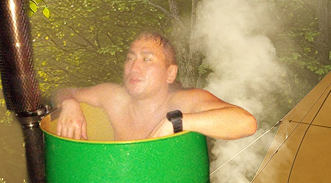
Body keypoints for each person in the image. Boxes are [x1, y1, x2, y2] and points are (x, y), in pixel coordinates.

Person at [52, 31, 257, 142]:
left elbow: (246, 123)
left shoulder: (183, 102)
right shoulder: (113, 97)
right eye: (130, 58)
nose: (134, 67)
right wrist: (69, 103)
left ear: (170, 73)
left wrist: (175, 123)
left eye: (147, 59)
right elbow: (62, 91)